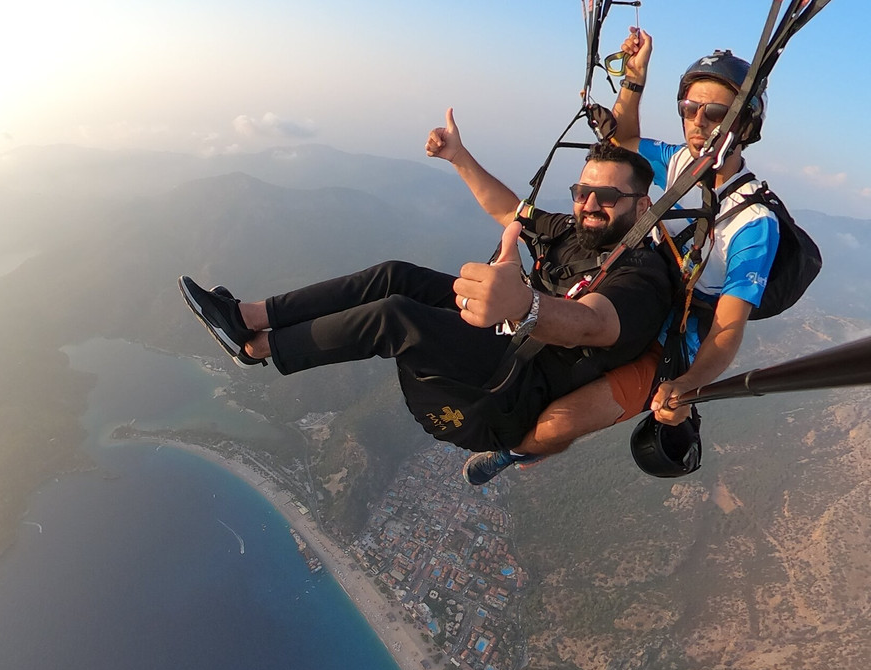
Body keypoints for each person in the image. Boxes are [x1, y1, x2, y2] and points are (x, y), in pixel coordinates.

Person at [179, 141, 676, 465]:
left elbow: (593, 324)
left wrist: (525, 304)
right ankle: (246, 318)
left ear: (642, 206)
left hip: (512, 390)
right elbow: (509, 209)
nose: (588, 205)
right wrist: (458, 156)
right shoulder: (572, 231)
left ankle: (260, 350)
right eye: (582, 191)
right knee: (395, 276)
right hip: (500, 338)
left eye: (606, 197)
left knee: (395, 317)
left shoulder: (641, 277)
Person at [460, 31, 780, 484]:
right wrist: (635, 76)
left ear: (745, 125)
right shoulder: (675, 164)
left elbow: (727, 330)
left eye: (715, 114)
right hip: (626, 295)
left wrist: (687, 386)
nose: (698, 123)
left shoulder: (752, 222)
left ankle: (512, 454)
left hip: (667, 346)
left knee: (558, 424)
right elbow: (625, 139)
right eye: (689, 109)